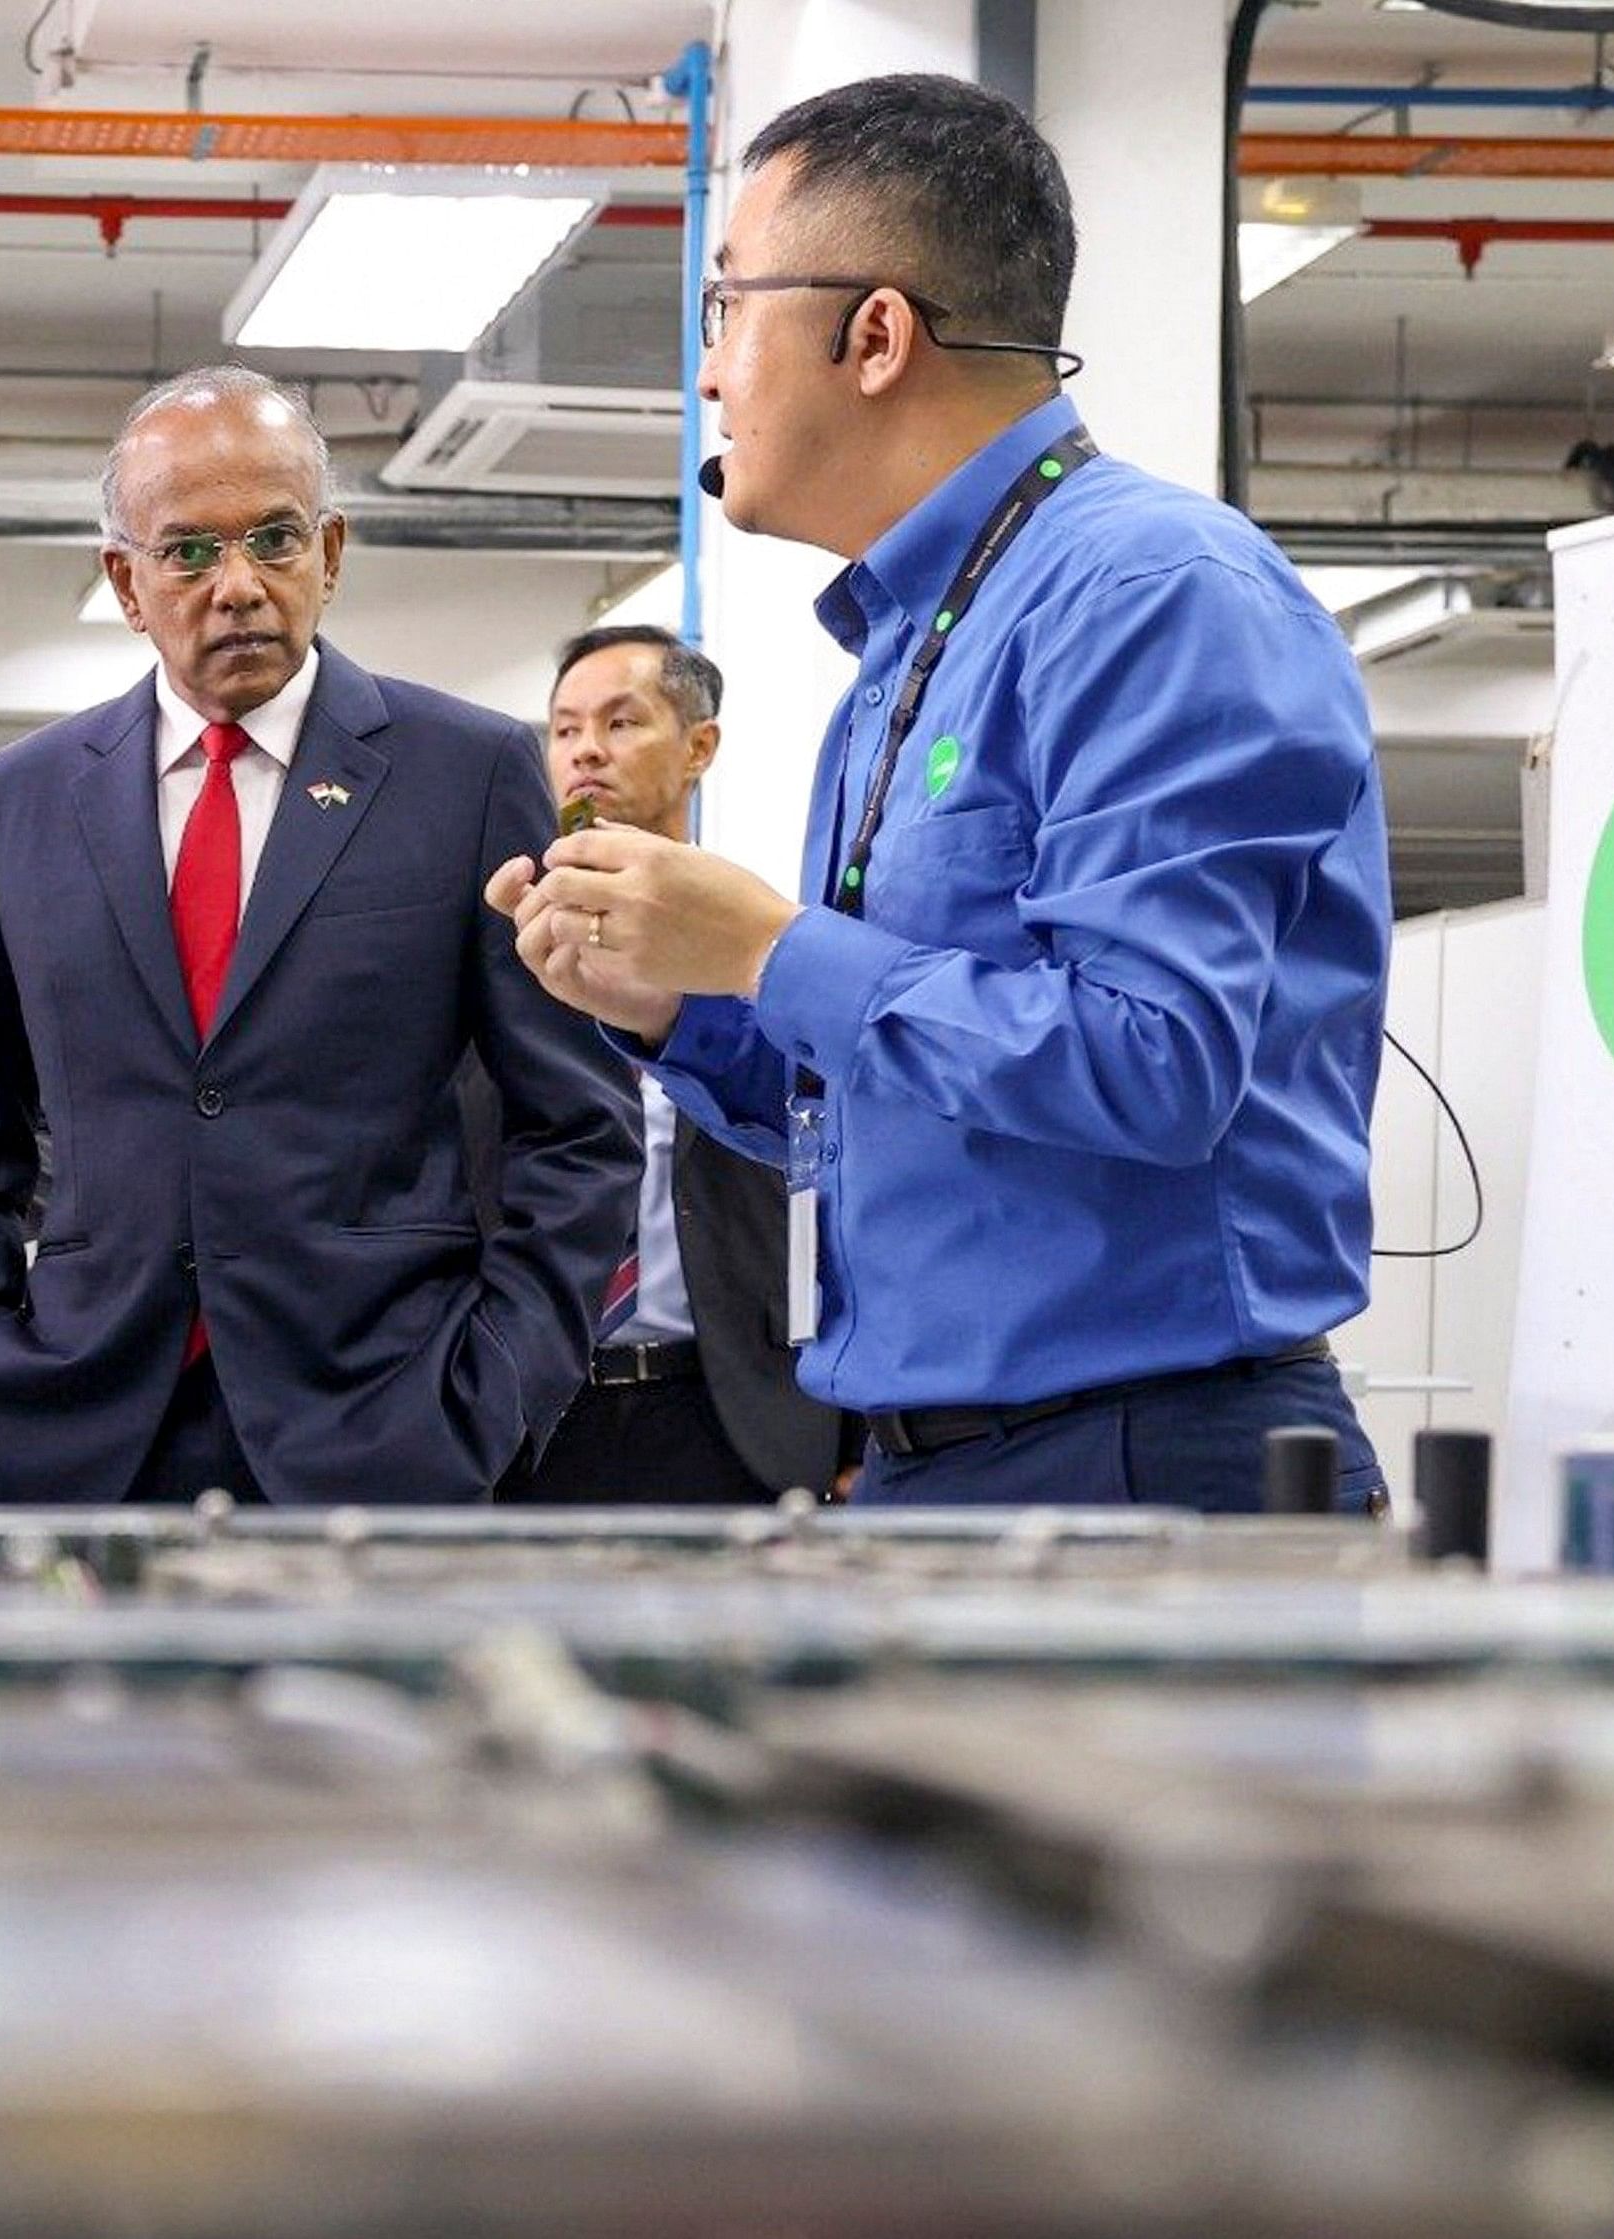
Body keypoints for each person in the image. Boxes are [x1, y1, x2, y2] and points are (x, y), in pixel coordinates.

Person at [490, 73, 1390, 1516]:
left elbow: (1155, 1059)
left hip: (1142, 1471)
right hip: (933, 1464)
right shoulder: (908, 643)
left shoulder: (1152, 595)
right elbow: (877, 1103)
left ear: (875, 334)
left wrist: (771, 948)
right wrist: (672, 1005)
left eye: (724, 309)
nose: (707, 372)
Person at [0, 367, 636, 1508]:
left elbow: (578, 1128)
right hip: (83, 1439)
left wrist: (494, 1390)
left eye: (275, 540)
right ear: (127, 583)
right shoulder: (24, 799)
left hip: (387, 1432)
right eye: (188, 550)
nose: (236, 586)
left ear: (331, 554)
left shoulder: (470, 774)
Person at [497, 626, 851, 1504]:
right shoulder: (509, 946)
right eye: (565, 727)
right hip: (533, 1410)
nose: (586, 749)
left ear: (699, 745)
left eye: (620, 723)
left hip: (735, 1409)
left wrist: (853, 1427)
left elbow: (833, 1184)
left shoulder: (762, 942)